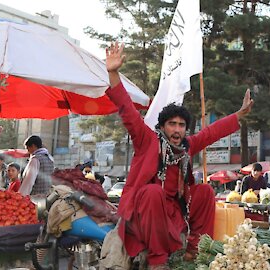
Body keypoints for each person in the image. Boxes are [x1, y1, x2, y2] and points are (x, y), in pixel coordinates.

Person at [104, 42, 254, 269]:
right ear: (163, 127)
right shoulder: (147, 140)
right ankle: (157, 261)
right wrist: (113, 73)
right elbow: (128, 111)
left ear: (185, 129)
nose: (176, 130)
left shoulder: (187, 146)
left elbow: (211, 133)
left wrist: (238, 114)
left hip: (174, 212)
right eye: (171, 124)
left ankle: (195, 251)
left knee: (204, 190)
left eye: (181, 125)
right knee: (153, 192)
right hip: (145, 212)